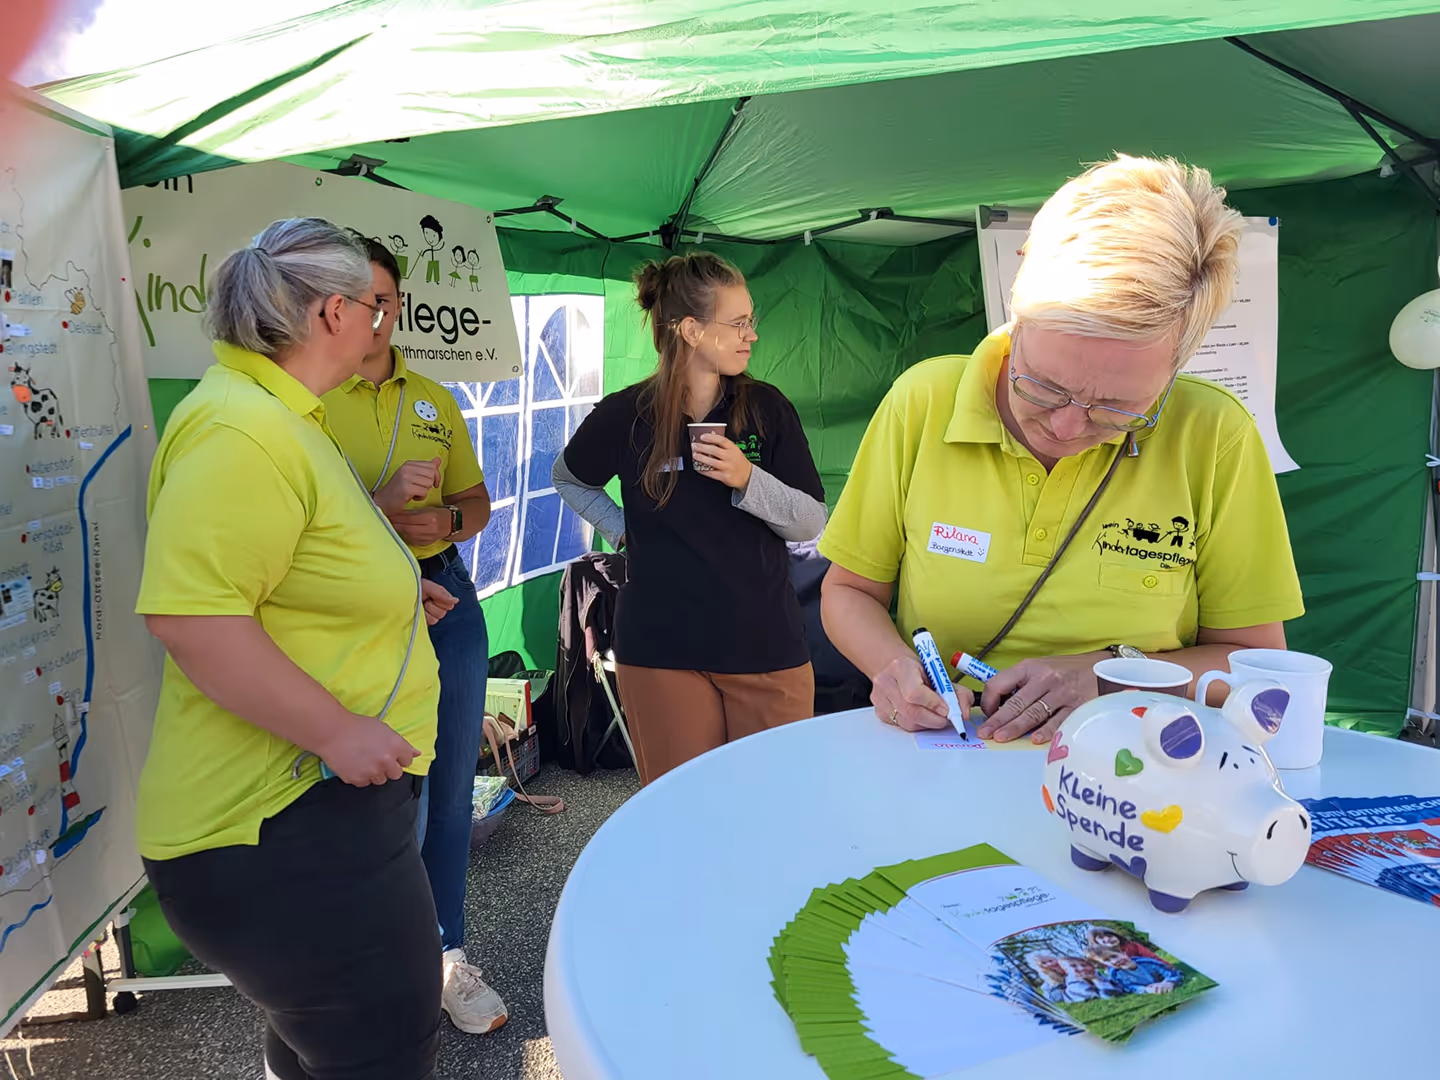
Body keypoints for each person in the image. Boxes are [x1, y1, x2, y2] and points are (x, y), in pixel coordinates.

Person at [819, 154, 1304, 743]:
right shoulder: (923, 401)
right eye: (1043, 385)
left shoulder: (1214, 433)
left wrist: (1108, 676)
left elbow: (1251, 663)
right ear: (1016, 303)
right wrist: (890, 668)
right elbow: (848, 591)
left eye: (1118, 408)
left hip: (1144, 777)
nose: (1069, 427)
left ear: (1179, 360)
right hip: (952, 754)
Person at [135, 218, 454, 1080]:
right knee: (379, 1050)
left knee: (330, 1051)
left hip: (312, 813)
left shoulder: (277, 414)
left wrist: (389, 602)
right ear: (333, 314)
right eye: (377, 311)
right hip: (277, 817)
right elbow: (194, 618)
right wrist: (334, 730)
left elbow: (287, 578)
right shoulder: (242, 428)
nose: (383, 328)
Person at [552, 252, 828, 784]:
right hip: (661, 649)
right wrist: (625, 532)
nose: (752, 334)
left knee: (773, 809)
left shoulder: (767, 409)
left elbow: (810, 523)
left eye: (753, 320)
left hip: (762, 644)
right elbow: (568, 477)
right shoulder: (624, 413)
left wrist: (749, 479)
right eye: (739, 322)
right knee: (682, 813)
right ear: (692, 330)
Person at [322, 233, 504, 1035]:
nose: (380, 314)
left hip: (447, 594)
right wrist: (382, 503)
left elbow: (477, 502)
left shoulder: (432, 397)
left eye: (390, 300)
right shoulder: (308, 401)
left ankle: (445, 956)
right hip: (356, 609)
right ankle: (372, 964)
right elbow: (302, 526)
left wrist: (446, 518)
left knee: (452, 786)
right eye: (366, 299)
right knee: (381, 795)